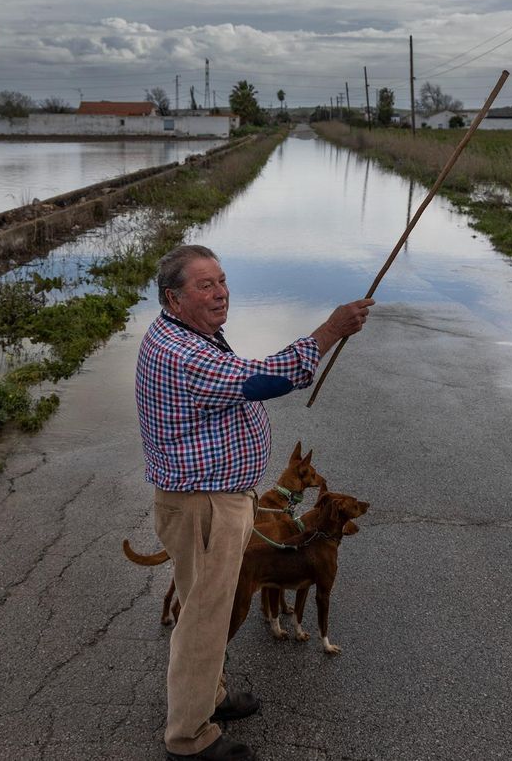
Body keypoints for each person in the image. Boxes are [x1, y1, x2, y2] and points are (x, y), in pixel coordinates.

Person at [136, 244, 373, 761]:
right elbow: (263, 379)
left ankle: (209, 698)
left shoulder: (191, 333)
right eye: (205, 285)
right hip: (204, 507)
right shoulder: (181, 351)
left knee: (212, 612)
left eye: (222, 281)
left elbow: (244, 383)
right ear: (174, 298)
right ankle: (188, 737)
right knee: (203, 618)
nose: (221, 293)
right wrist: (330, 330)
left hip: (216, 501)